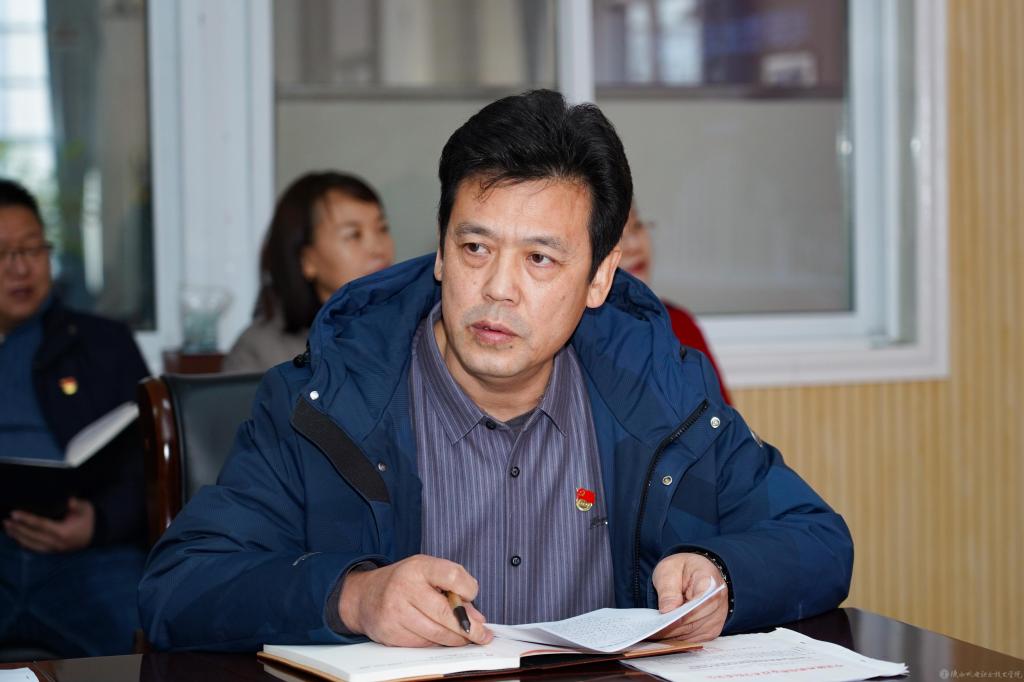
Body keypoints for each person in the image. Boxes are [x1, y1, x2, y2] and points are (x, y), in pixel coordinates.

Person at [139, 90, 852, 651]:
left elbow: (818, 540)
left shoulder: (662, 396)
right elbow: (178, 587)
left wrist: (723, 577)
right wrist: (354, 597)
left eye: (540, 259)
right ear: (440, 251)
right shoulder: (326, 404)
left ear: (600, 278)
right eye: (475, 248)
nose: (498, 289)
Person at [0, 178, 150, 656]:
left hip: (89, 556)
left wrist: (98, 523)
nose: (20, 268)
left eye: (32, 249)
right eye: (2, 254)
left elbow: (147, 468)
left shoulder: (104, 344)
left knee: (151, 637)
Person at [222, 171, 395, 373]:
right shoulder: (259, 351)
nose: (378, 249)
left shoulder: (407, 328)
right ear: (306, 260)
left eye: (382, 229)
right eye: (354, 235)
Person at [618, 203, 732, 404]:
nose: (633, 245)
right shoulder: (581, 338)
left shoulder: (679, 322)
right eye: (616, 236)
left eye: (636, 226)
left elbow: (722, 415)